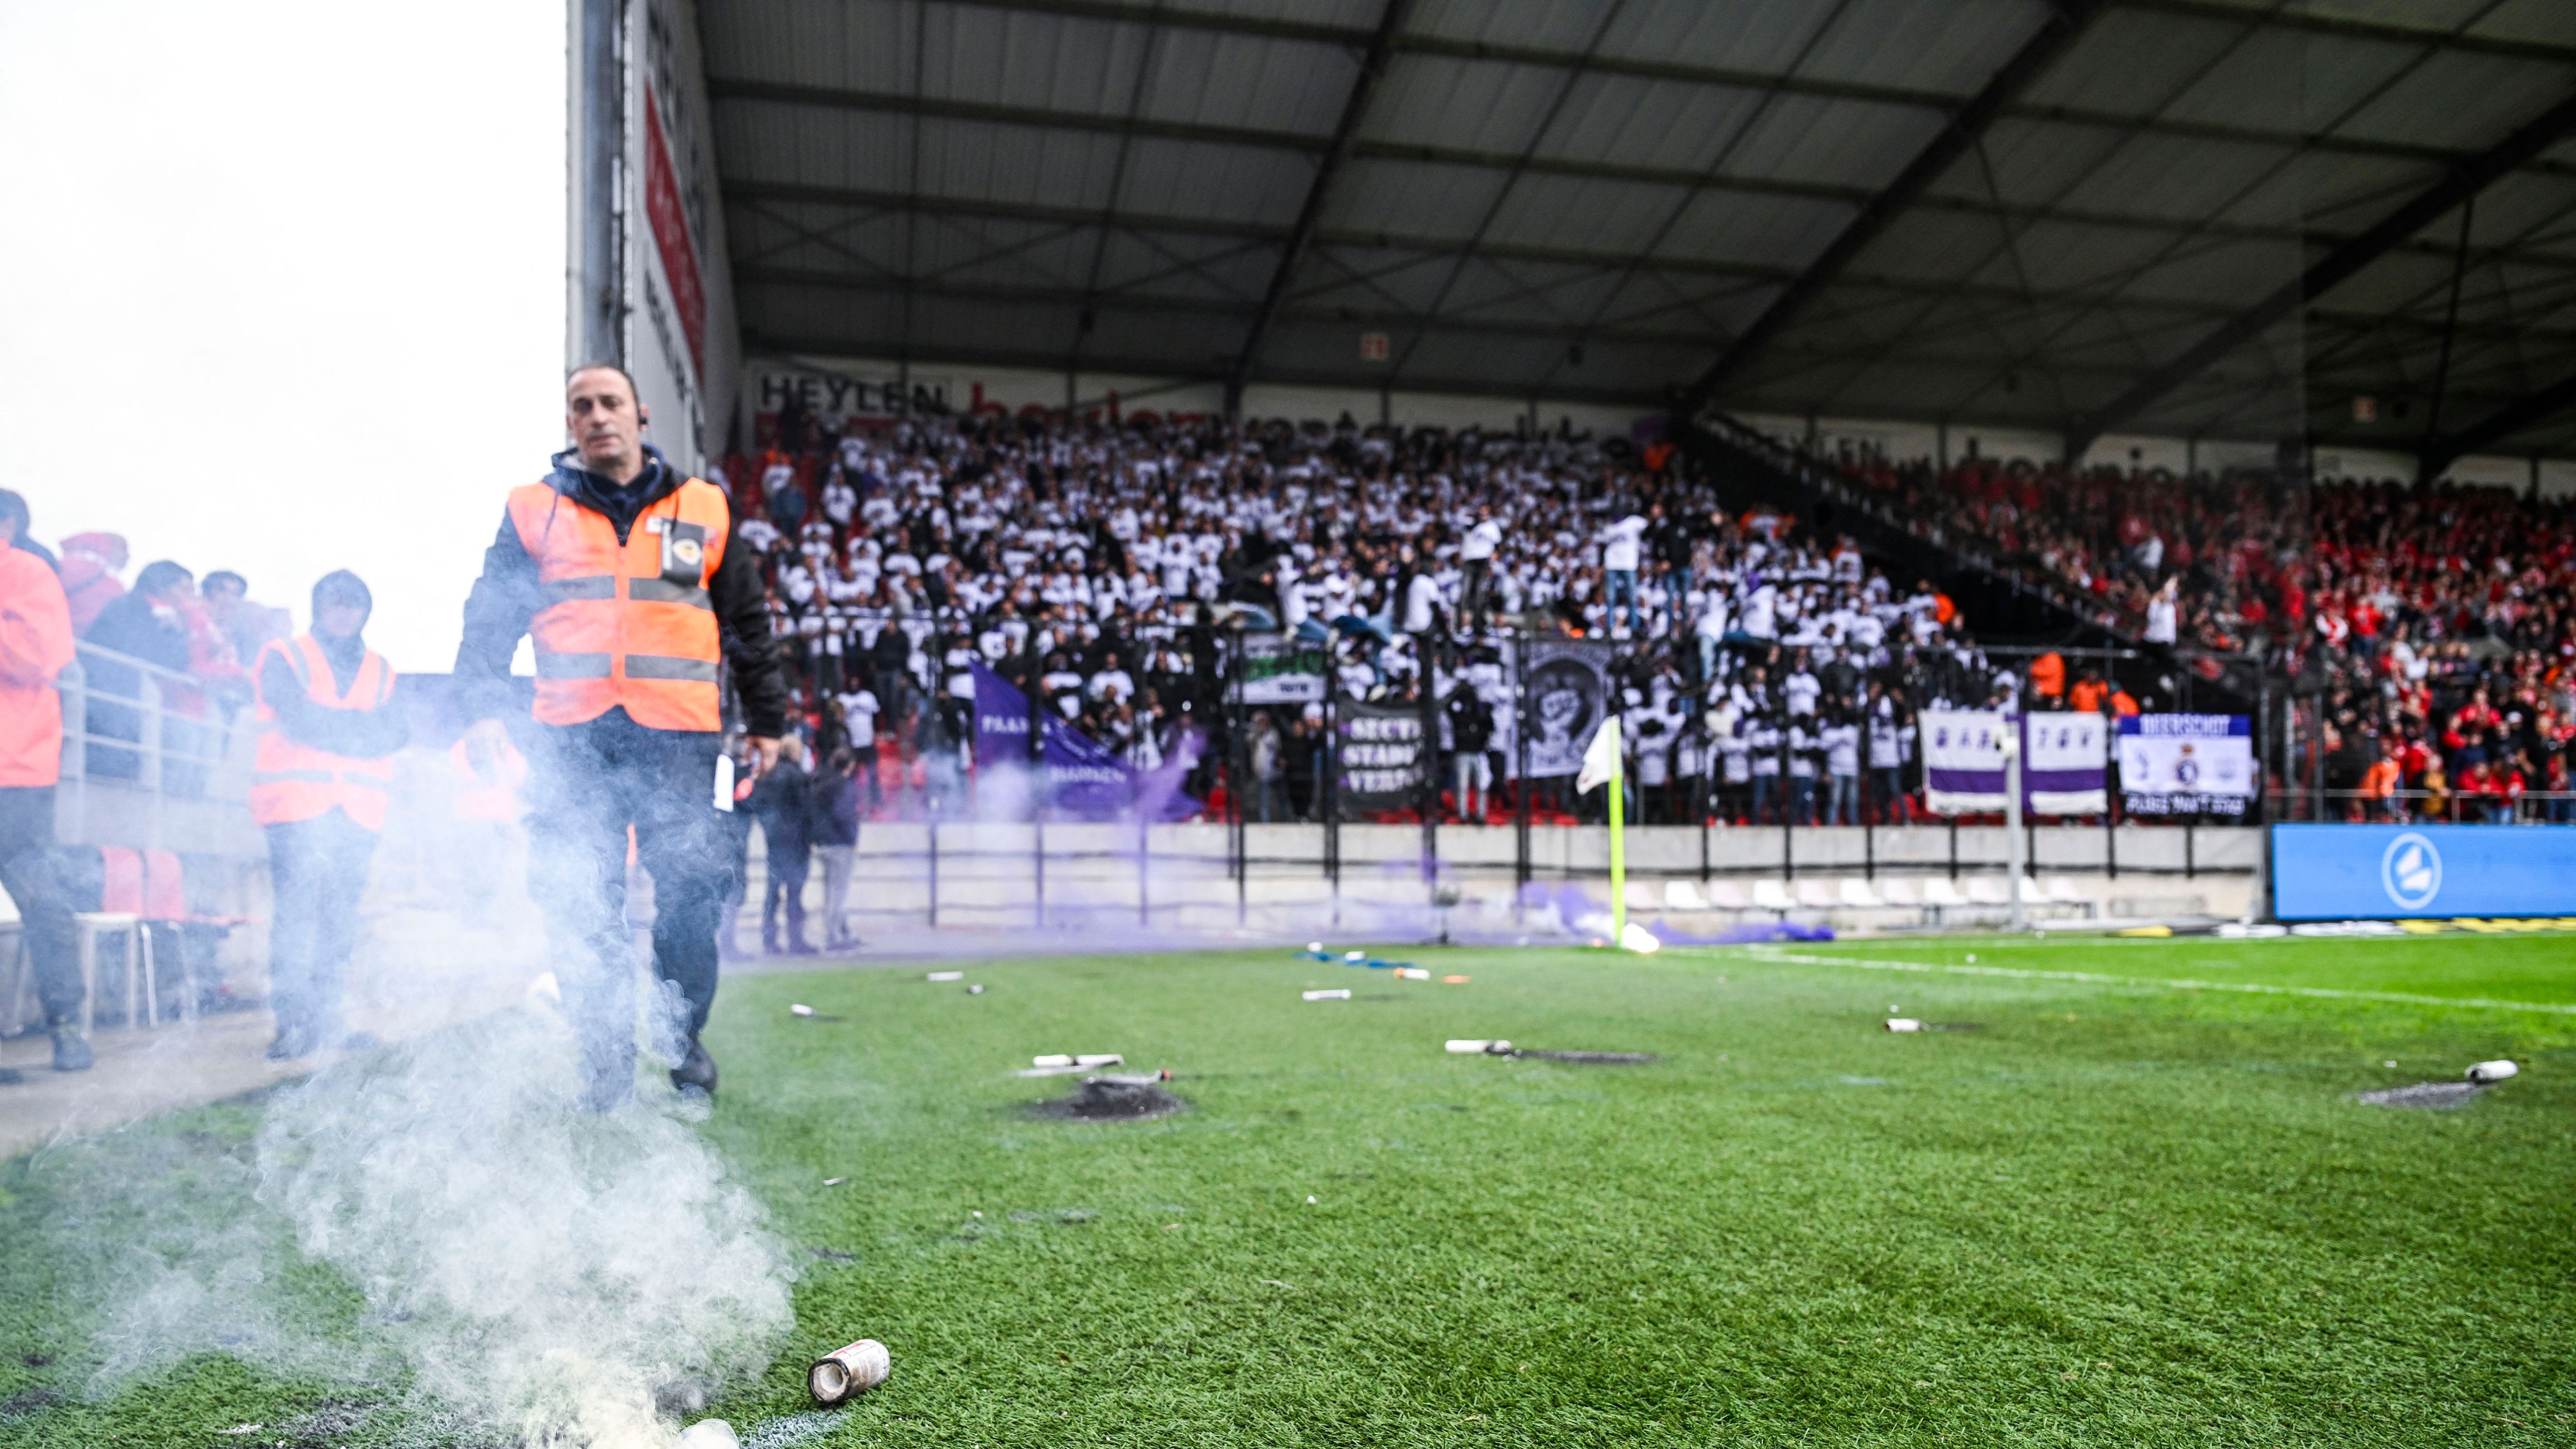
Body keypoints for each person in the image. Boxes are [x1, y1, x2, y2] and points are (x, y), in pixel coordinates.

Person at [455, 363, 788, 1108]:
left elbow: (746, 620)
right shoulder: (533, 510)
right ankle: (603, 1064)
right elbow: (488, 616)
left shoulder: (702, 505)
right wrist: (478, 707)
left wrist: (767, 719)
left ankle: (682, 1046)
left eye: (610, 402)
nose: (597, 415)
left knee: (692, 898)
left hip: (681, 740)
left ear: (640, 415)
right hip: (571, 741)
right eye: (581, 407)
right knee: (579, 902)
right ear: (569, 425)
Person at [252, 571, 408, 1059]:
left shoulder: (383, 669)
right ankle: (293, 1025)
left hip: (358, 814)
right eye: (335, 602)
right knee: (295, 920)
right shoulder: (285, 655)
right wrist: (359, 730)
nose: (344, 612)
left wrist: (335, 727)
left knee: (340, 922)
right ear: (318, 607)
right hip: (297, 807)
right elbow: (298, 718)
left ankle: (328, 1021)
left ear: (366, 610)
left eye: (354, 604)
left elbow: (398, 731)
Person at [0, 490, 89, 1074]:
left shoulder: (29, 573)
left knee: (40, 899)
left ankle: (67, 1025)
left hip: (16, 773)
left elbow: (33, 658)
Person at [751, 736, 815, 954]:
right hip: (796, 844)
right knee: (795, 894)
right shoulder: (797, 777)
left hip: (775, 842)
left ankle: (769, 941)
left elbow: (758, 805)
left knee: (773, 894)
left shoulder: (769, 776)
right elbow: (807, 812)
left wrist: (770, 829)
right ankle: (796, 940)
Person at [810, 747, 862, 950]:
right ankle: (834, 936)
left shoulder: (819, 782)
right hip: (839, 843)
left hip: (823, 842)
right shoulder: (842, 786)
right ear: (850, 766)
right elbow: (844, 815)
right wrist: (853, 839)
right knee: (840, 892)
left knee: (831, 890)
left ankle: (842, 931)